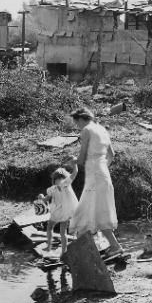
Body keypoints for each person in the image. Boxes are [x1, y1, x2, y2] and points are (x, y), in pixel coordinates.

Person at [66, 108, 124, 258]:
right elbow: (111, 155)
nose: (77, 126)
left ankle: (105, 248)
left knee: (84, 212)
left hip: (96, 177)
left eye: (76, 122)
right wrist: (100, 168)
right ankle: (94, 248)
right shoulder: (102, 129)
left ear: (81, 119)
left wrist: (72, 162)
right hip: (103, 175)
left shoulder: (86, 130)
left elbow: (82, 157)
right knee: (95, 212)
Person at [45, 166, 79, 256]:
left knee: (62, 231)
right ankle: (49, 245)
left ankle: (64, 251)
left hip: (65, 211)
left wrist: (74, 164)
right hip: (57, 210)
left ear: (65, 179)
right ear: (54, 180)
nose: (60, 181)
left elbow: (75, 173)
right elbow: (46, 198)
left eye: (62, 178)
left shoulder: (66, 184)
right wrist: (41, 198)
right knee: (50, 226)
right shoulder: (52, 189)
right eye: (58, 179)